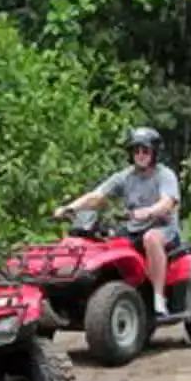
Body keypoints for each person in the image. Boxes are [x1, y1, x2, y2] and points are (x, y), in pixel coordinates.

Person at [53, 127, 182, 316]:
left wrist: (149, 211)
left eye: (145, 150)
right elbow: (97, 196)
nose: (140, 155)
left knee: (150, 238)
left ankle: (158, 298)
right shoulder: (125, 176)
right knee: (105, 243)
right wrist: (70, 208)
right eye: (136, 150)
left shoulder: (165, 175)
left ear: (154, 152)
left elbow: (168, 203)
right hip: (133, 229)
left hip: (163, 229)